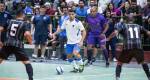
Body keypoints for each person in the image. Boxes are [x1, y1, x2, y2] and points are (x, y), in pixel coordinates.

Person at [107, 14, 150, 80]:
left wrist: (108, 38)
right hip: (138, 47)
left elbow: (115, 33)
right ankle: (149, 76)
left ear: (126, 20)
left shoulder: (124, 26)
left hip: (128, 47)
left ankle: (117, 78)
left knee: (119, 63)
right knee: (143, 62)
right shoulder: (139, 26)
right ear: (134, 19)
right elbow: (148, 32)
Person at [0, 9, 33, 80]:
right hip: (18, 45)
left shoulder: (9, 21)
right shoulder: (24, 23)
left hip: (7, 43)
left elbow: (1, 29)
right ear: (23, 15)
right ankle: (31, 78)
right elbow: (27, 34)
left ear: (16, 15)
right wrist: (30, 41)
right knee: (27, 62)